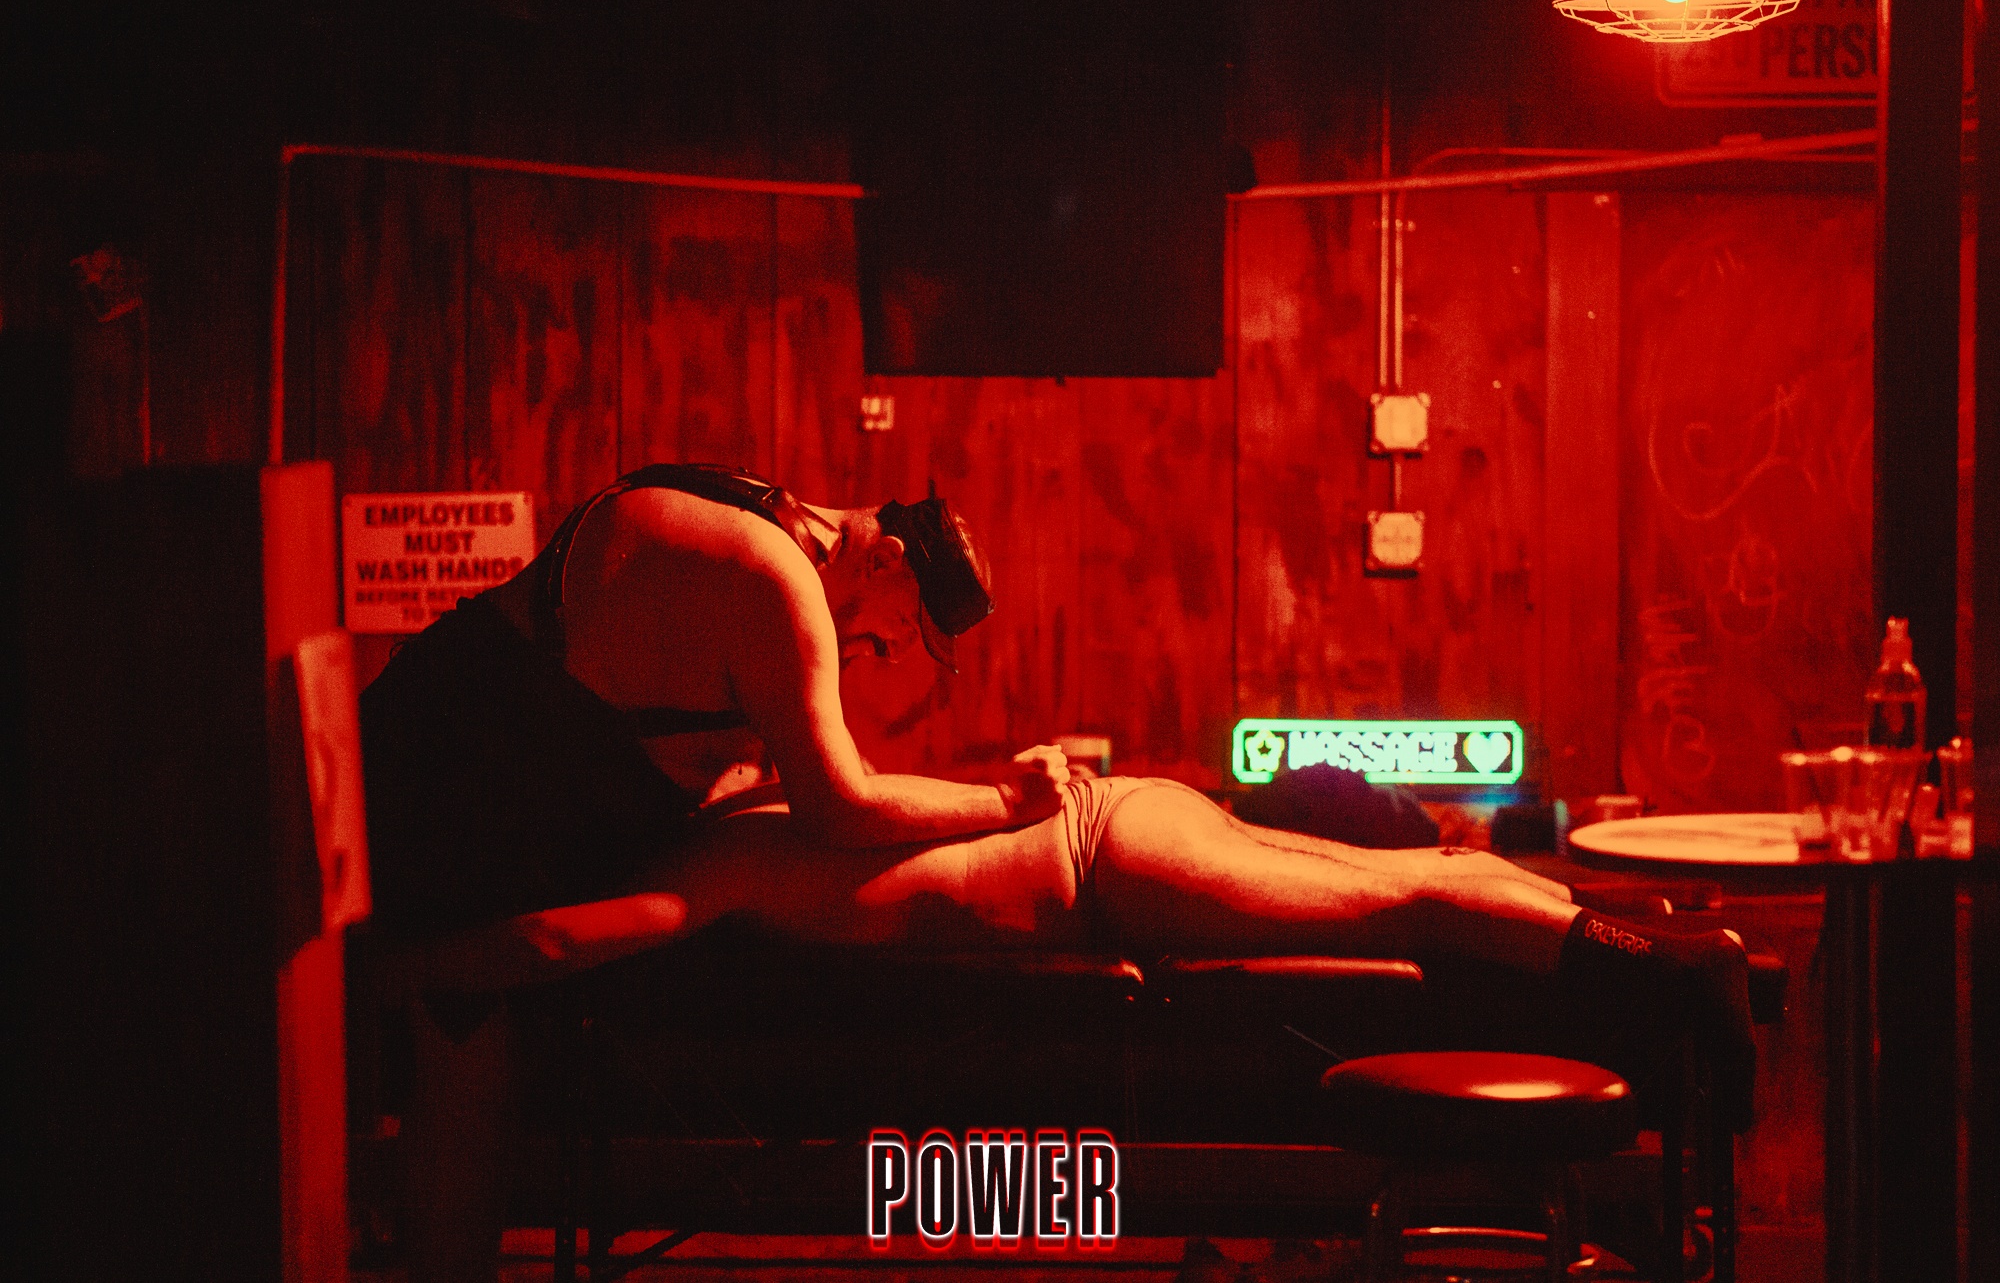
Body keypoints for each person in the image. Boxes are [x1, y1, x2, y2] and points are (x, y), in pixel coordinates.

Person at [360, 462, 1751, 1282]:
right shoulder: (749, 811)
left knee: (1405, 886)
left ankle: (1664, 964)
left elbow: (552, 944)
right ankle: (1657, 952)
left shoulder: (730, 845)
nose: (873, 660)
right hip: (1114, 836)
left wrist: (393, 967)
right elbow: (572, 932)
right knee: (1410, 875)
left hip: (1110, 853)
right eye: (895, 641)